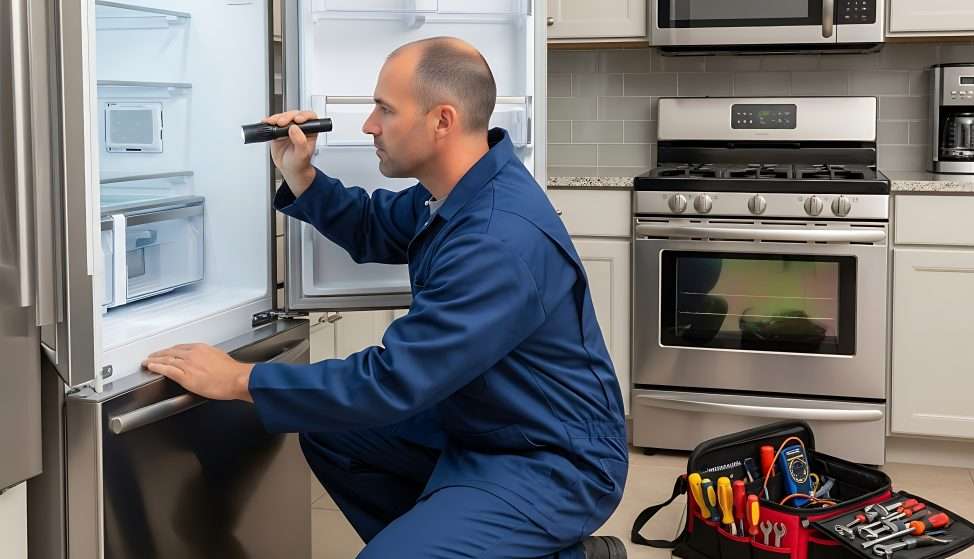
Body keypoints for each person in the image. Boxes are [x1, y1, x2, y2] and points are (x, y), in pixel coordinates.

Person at [143, 36, 628, 559]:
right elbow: (376, 225)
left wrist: (240, 379)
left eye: (384, 109)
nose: (370, 124)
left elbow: (394, 381)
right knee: (333, 435)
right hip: (485, 418)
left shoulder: (496, 239)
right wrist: (300, 174)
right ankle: (458, 538)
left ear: (442, 121)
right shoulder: (459, 190)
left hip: (550, 456)